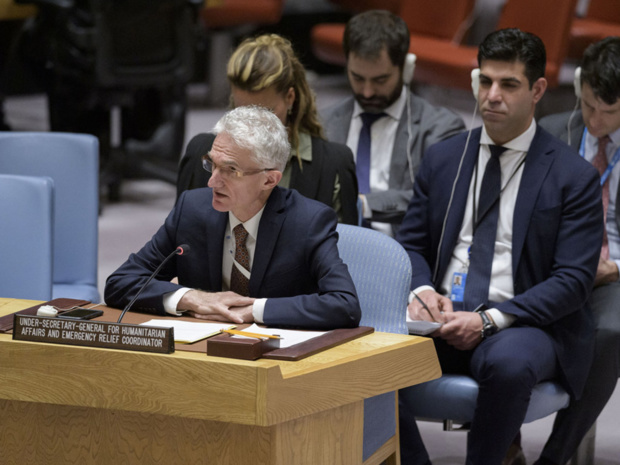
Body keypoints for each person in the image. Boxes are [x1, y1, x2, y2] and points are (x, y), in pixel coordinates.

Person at [396, 28, 603, 465]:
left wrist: (489, 319)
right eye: (484, 81)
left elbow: (573, 281)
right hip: (442, 315)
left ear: (537, 90)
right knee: (359, 354)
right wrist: (420, 292)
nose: (491, 96)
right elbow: (411, 244)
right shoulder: (445, 158)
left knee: (508, 365)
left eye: (508, 84)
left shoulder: (573, 176)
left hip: (522, 322)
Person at [105, 105, 361, 330]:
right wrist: (193, 298)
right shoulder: (192, 209)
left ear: (269, 179)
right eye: (212, 164)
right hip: (201, 352)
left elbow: (344, 304)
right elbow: (120, 283)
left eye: (230, 170)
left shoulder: (307, 222)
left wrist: (254, 310)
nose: (212, 181)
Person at [534, 36, 620, 465]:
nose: (595, 119)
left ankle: (556, 455)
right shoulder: (550, 133)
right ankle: (505, 445)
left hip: (614, 275)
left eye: (609, 111)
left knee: (611, 332)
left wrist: (615, 265)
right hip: (554, 266)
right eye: (588, 105)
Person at [177, 34, 359, 225]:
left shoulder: (333, 165)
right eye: (244, 111)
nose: (254, 128)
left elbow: (343, 248)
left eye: (267, 113)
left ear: (290, 97)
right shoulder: (202, 153)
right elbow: (181, 239)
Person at [321, 9, 465, 235]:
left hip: (401, 254)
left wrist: (361, 204)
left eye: (380, 80)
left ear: (406, 69)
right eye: (357, 78)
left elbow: (437, 197)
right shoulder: (322, 122)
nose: (367, 92)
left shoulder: (441, 128)